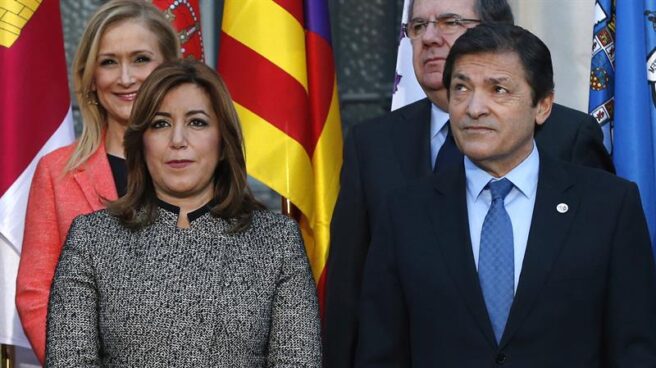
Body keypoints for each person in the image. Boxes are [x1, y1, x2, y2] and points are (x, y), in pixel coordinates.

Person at [323, 0, 615, 366]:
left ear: (497, 30)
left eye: (449, 22)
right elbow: (349, 292)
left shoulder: (567, 136)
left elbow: (603, 286)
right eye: (417, 27)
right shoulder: (373, 144)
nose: (429, 37)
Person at [44, 59, 322, 367]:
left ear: (222, 141)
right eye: (160, 124)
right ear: (141, 141)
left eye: (197, 122)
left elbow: (298, 360)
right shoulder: (91, 240)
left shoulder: (276, 241)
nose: (178, 141)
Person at [15, 0, 180, 363]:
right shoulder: (57, 172)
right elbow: (37, 293)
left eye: (141, 59)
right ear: (91, 78)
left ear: (170, 69)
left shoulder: (205, 165)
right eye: (109, 62)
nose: (125, 78)